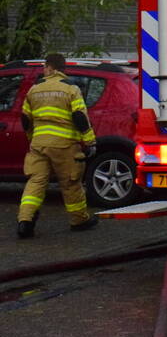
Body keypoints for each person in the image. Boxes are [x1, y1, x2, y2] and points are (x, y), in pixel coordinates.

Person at [17, 53, 98, 238]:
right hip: (64, 145)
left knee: (35, 182)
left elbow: (25, 119)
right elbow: (80, 117)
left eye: (45, 67)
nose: (43, 70)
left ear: (50, 68)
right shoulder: (71, 89)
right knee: (70, 183)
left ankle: (25, 220)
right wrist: (90, 141)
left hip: (38, 144)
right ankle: (79, 220)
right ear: (63, 69)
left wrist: (32, 138)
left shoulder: (34, 89)